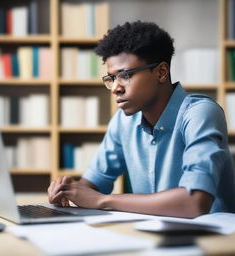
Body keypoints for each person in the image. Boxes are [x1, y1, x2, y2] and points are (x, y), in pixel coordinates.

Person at [48, 21, 235, 218]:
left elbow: (194, 202)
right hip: (150, 235)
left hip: (212, 240)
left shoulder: (200, 113)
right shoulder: (123, 121)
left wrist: (103, 200)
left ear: (161, 73)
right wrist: (68, 190)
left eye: (125, 75)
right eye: (111, 78)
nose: (115, 88)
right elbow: (92, 185)